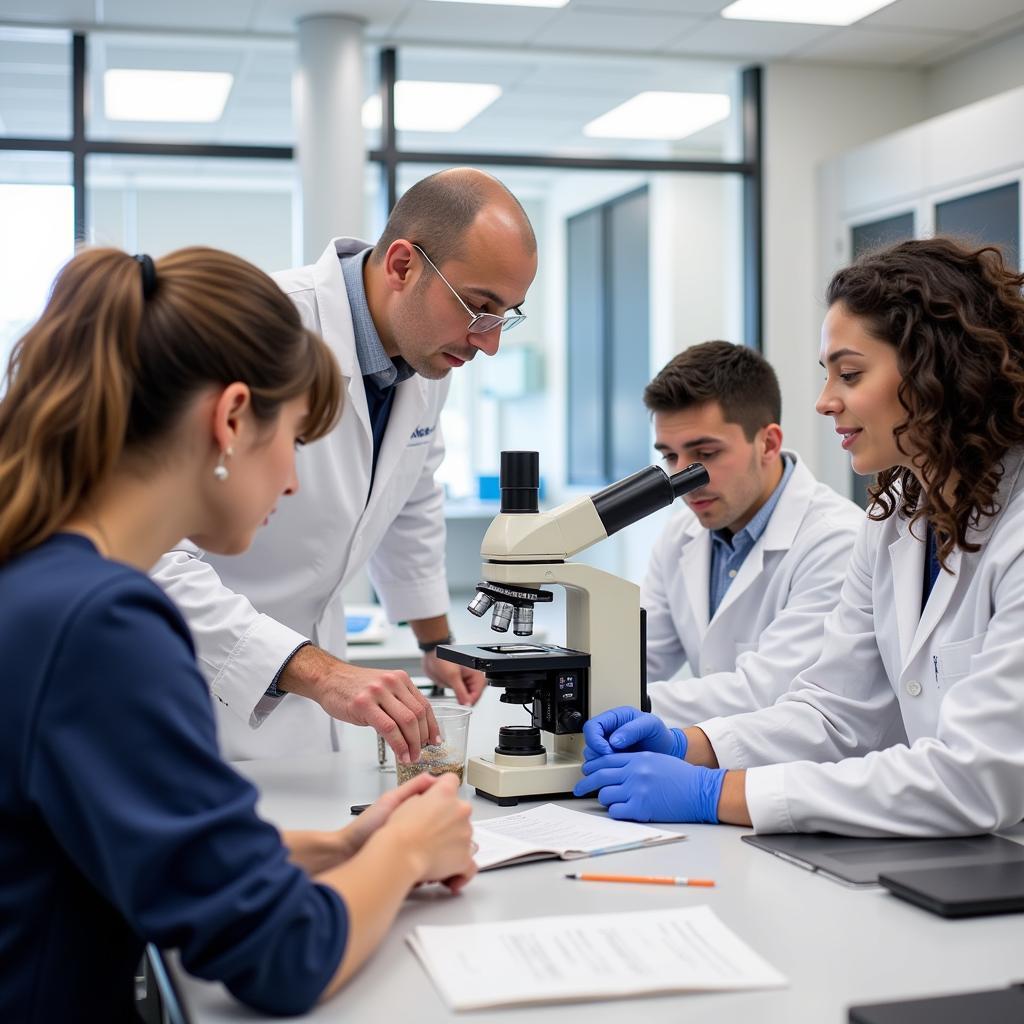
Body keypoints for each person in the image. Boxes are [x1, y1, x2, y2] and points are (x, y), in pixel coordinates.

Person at [0, 247, 477, 1021]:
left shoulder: (40, 581)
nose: (293, 480)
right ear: (229, 421)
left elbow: (146, 854)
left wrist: (345, 848)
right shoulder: (105, 627)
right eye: (294, 438)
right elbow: (279, 954)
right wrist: (409, 850)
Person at [576, 237, 1024, 837]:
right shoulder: (894, 519)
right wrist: (693, 744)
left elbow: (977, 774)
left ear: (935, 369)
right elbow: (834, 711)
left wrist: (717, 791)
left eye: (850, 373)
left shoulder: (1012, 528)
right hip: (946, 851)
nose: (824, 401)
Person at [153, 167, 539, 762]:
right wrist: (318, 672)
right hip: (191, 683)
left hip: (309, 695)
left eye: (505, 315)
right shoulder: (258, 333)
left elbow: (409, 499)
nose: (488, 342)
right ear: (403, 265)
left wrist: (434, 639)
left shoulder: (429, 360)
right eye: (479, 306)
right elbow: (149, 553)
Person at [641, 341, 861, 724]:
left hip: (799, 774)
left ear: (768, 443)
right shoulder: (680, 535)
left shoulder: (837, 541)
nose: (682, 479)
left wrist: (619, 708)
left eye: (705, 454)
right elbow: (638, 658)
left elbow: (767, 692)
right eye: (670, 456)